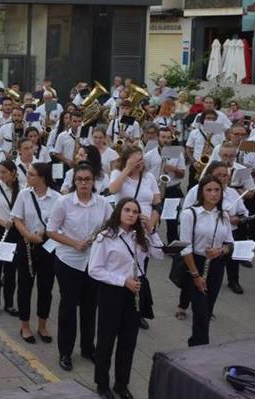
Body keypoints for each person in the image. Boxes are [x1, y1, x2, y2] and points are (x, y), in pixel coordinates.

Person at [88, 198, 163, 399]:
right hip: (112, 291)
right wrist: (122, 281)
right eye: (127, 210)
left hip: (136, 291)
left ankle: (122, 383)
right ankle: (102, 384)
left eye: (135, 211)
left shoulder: (141, 235)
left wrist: (152, 230)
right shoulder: (105, 236)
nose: (131, 214)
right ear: (119, 212)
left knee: (128, 340)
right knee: (106, 339)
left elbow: (159, 255)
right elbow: (94, 270)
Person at [46, 163, 112, 372]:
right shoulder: (64, 202)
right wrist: (74, 243)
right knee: (68, 307)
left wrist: (101, 236)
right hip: (69, 261)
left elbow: (111, 225)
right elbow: (51, 230)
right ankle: (65, 351)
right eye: (80, 179)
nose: (84, 183)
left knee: (90, 306)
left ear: (93, 181)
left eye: (87, 179)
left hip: (93, 262)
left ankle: (87, 348)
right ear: (74, 181)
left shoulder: (102, 203)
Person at [180, 176, 234, 346]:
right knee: (201, 311)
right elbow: (185, 247)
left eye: (217, 190)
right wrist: (196, 275)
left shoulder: (224, 214)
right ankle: (200, 347)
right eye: (209, 190)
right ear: (201, 193)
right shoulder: (190, 214)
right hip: (195, 263)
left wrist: (220, 250)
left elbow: (230, 244)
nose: (213, 194)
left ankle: (197, 343)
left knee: (207, 310)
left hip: (216, 264)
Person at [12, 162, 59, 345]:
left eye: (31, 174)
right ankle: (25, 325)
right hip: (27, 243)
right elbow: (17, 218)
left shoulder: (56, 197)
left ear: (42, 178)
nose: (28, 177)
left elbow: (59, 222)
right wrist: (27, 235)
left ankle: (42, 325)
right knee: (24, 286)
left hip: (48, 244)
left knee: (45, 287)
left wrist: (45, 233)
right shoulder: (24, 194)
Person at [0, 160, 21, 317]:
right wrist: (3, 222)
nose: (1, 175)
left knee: (11, 270)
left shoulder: (21, 189)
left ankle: (9, 303)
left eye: (4, 172)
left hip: (15, 232)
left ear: (13, 173)